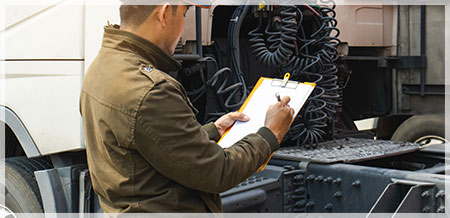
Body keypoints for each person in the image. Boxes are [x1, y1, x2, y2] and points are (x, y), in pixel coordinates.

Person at [79, 0, 294, 213]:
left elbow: (148, 142)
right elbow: (218, 171)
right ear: (164, 14)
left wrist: (213, 130)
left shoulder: (103, 65)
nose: (183, 28)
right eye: (183, 15)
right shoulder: (151, 91)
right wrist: (270, 134)